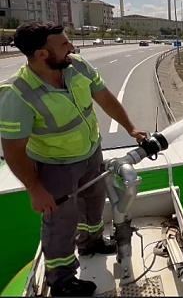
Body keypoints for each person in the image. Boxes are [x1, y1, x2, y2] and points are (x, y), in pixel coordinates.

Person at [0, 22, 148, 297]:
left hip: (91, 153)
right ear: (43, 54)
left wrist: (131, 128)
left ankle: (90, 242)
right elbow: (13, 151)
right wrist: (35, 190)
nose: (72, 48)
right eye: (64, 44)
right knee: (60, 223)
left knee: (94, 203)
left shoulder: (76, 66)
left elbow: (105, 98)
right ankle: (62, 280)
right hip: (55, 167)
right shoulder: (18, 94)